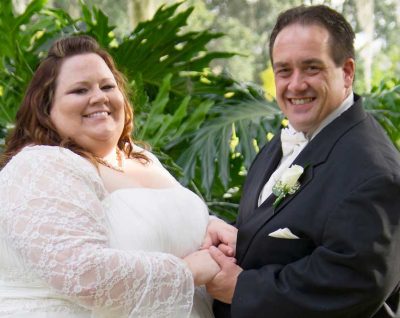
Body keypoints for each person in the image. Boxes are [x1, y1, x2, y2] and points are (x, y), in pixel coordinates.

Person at [0, 35, 237, 318]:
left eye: (107, 86)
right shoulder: (40, 165)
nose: (99, 97)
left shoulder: (140, 158)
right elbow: (81, 274)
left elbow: (157, 221)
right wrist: (189, 272)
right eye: (79, 90)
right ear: (45, 109)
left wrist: (209, 225)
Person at [208, 4, 400, 318]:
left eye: (311, 68)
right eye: (284, 70)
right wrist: (239, 239)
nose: (295, 84)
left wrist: (241, 288)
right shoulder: (286, 140)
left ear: (347, 72)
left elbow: (355, 283)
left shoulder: (375, 173)